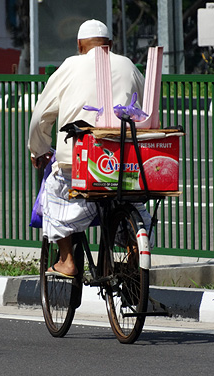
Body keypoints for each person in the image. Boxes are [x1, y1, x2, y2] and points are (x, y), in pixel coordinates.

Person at [28, 19, 147, 278]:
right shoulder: (127, 65)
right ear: (111, 45)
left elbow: (40, 117)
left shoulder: (70, 66)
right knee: (129, 204)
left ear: (80, 45)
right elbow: (146, 108)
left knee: (52, 193)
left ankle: (68, 260)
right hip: (125, 162)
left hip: (80, 164)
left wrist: (39, 149)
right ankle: (133, 253)